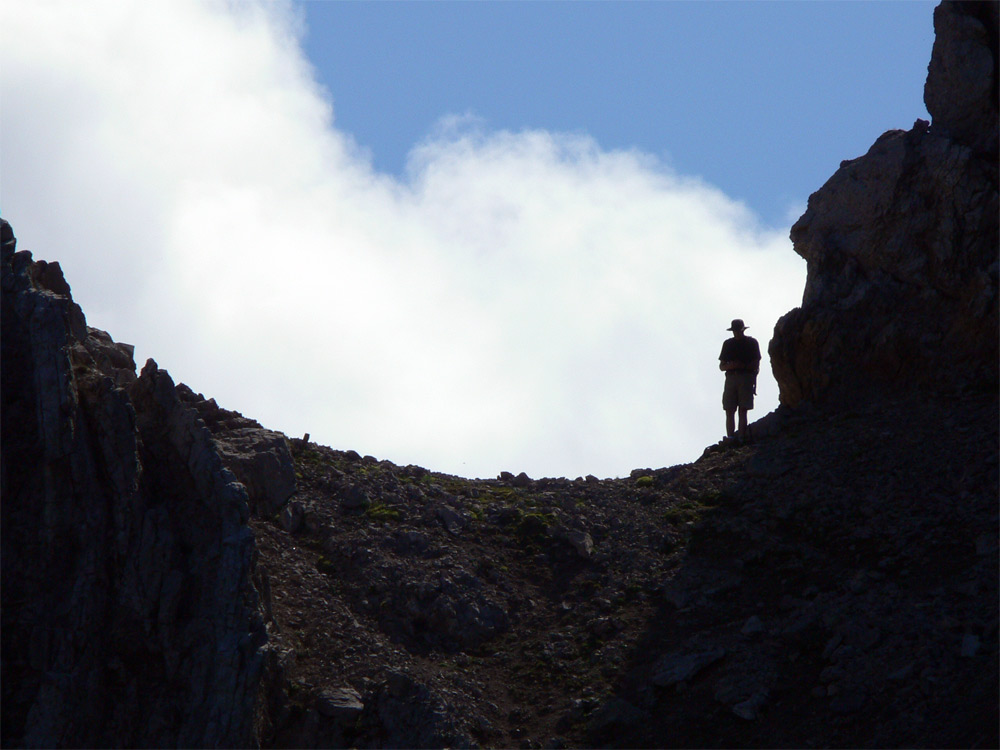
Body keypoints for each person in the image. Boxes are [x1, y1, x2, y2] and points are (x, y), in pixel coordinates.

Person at [719, 319, 761, 440]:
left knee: (743, 409)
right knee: (730, 409)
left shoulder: (751, 343)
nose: (736, 333)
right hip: (732, 377)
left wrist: (740, 366)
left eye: (737, 330)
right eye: (735, 331)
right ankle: (731, 437)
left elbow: (756, 364)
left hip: (745, 377)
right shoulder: (728, 344)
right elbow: (721, 366)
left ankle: (741, 436)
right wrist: (731, 366)